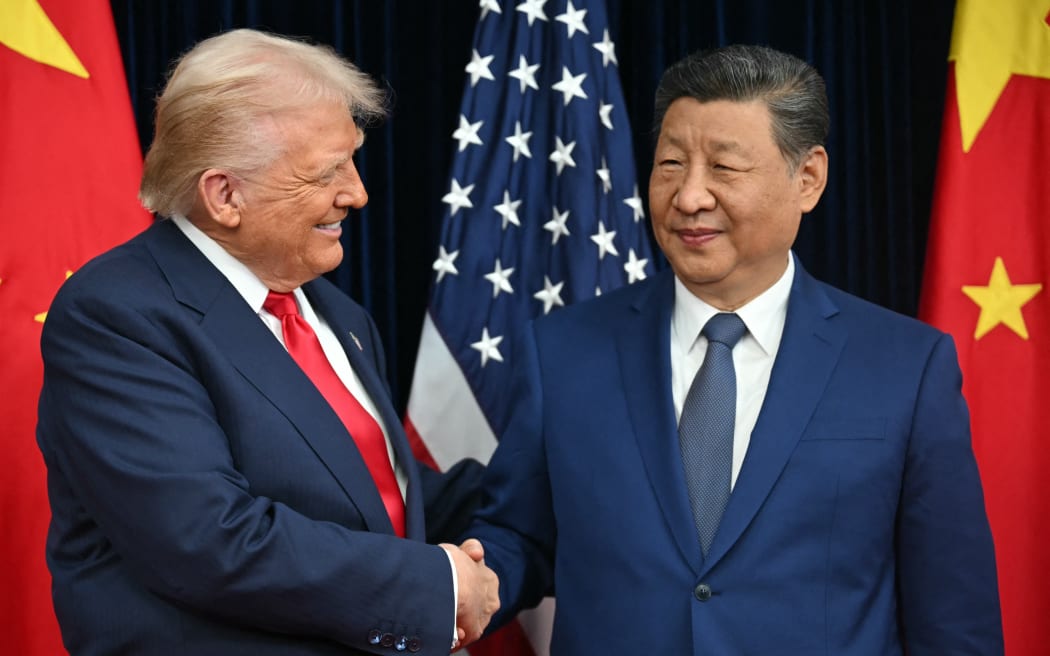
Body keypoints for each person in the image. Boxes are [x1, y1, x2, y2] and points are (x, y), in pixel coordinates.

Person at [467, 45, 1003, 654]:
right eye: (671, 163)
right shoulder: (563, 351)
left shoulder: (906, 367)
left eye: (723, 168)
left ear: (808, 179)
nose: (689, 196)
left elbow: (954, 619)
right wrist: (476, 579)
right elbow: (520, 535)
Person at [37, 28, 497, 655]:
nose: (357, 193)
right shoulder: (117, 315)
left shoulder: (337, 315)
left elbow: (365, 489)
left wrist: (550, 480)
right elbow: (208, 539)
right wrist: (437, 584)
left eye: (354, 159)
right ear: (224, 194)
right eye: (327, 172)